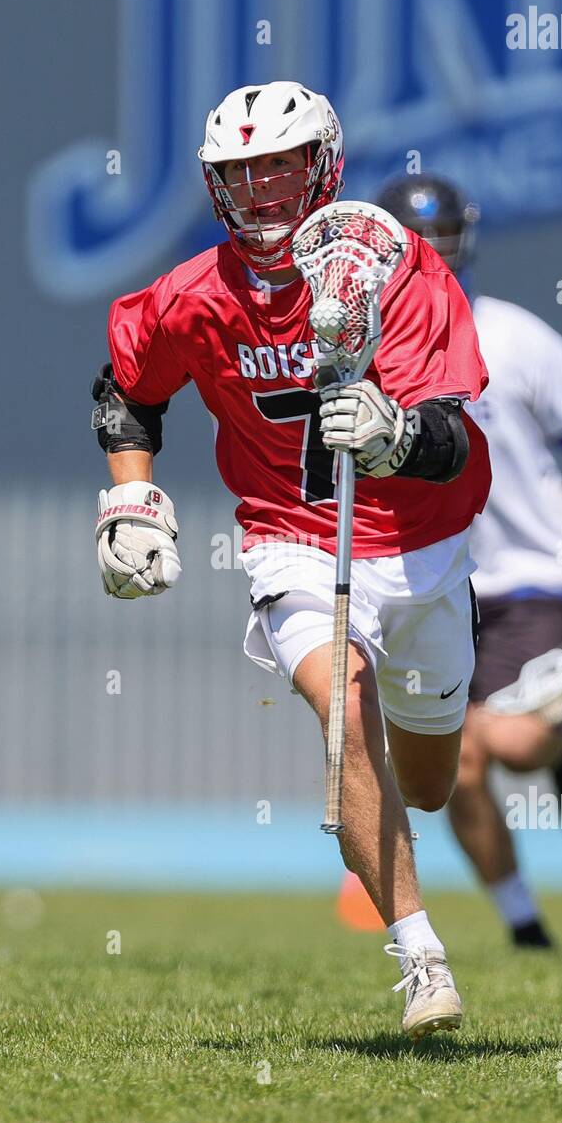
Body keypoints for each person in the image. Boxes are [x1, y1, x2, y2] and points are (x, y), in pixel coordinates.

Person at [92, 83, 491, 1036]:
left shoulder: (399, 269)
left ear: (321, 163)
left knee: (431, 781)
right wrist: (130, 492)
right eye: (238, 170)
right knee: (340, 712)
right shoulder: (196, 294)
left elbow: (459, 437)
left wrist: (396, 436)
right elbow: (128, 384)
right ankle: (422, 957)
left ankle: (416, 775)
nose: (261, 187)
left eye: (278, 163)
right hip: (295, 537)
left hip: (425, 545)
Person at [344, 173, 562, 948]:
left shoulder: (513, 337)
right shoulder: (356, 351)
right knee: (452, 772)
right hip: (423, 577)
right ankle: (524, 923)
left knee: (510, 745)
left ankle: (561, 737)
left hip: (523, 579)